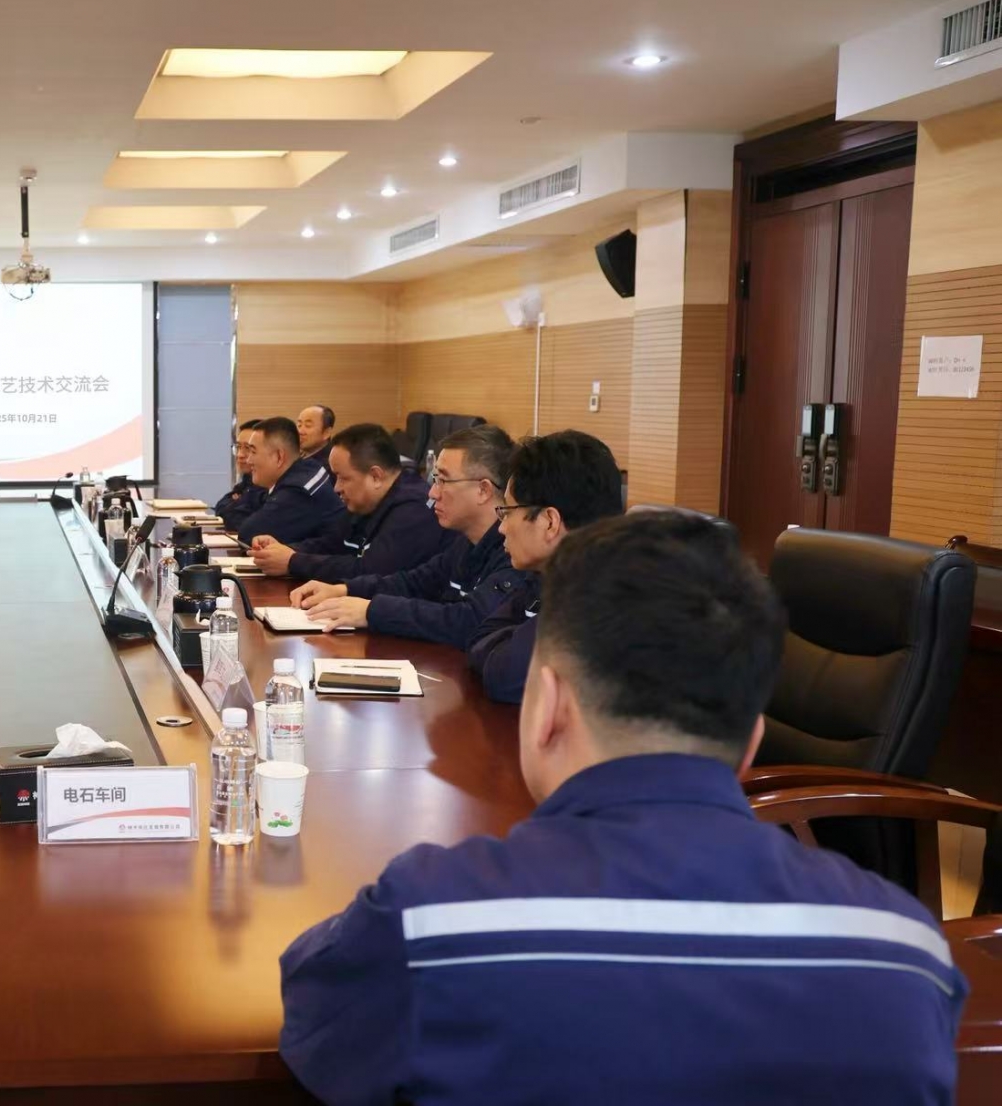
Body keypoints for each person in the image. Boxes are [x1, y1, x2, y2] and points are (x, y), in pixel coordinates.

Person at [279, 512, 963, 1105]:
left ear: (548, 706)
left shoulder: (432, 919)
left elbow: (315, 1021)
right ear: (752, 742)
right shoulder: (907, 953)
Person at [291, 425, 526, 649]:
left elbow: (467, 621)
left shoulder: (516, 552)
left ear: (483, 490)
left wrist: (371, 611)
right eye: (435, 480)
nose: (432, 493)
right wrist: (344, 589)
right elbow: (414, 583)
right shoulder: (465, 542)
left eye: (443, 480)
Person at [469, 431, 624, 703]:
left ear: (550, 522)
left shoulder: (599, 588)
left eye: (507, 512)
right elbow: (479, 638)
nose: (501, 528)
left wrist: (508, 642)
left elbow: (504, 675)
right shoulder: (549, 573)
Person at [248, 423, 455, 581]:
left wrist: (293, 562)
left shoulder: (415, 509)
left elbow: (371, 570)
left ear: (375, 476)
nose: (336, 487)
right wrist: (281, 550)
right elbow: (332, 544)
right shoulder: (364, 503)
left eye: (343, 478)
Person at [233, 417, 346, 548]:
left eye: (253, 452)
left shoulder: (298, 490)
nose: (248, 460)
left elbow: (248, 535)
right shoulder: (304, 469)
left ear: (279, 457)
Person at [214, 419, 268, 530]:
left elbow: (248, 523)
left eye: (248, 448)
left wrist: (236, 503)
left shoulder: (267, 483)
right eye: (238, 447)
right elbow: (221, 506)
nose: (240, 455)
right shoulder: (247, 479)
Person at [295, 404, 335, 471]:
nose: (300, 431)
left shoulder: (331, 465)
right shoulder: (296, 456)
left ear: (326, 433)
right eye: (299, 425)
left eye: (308, 426)